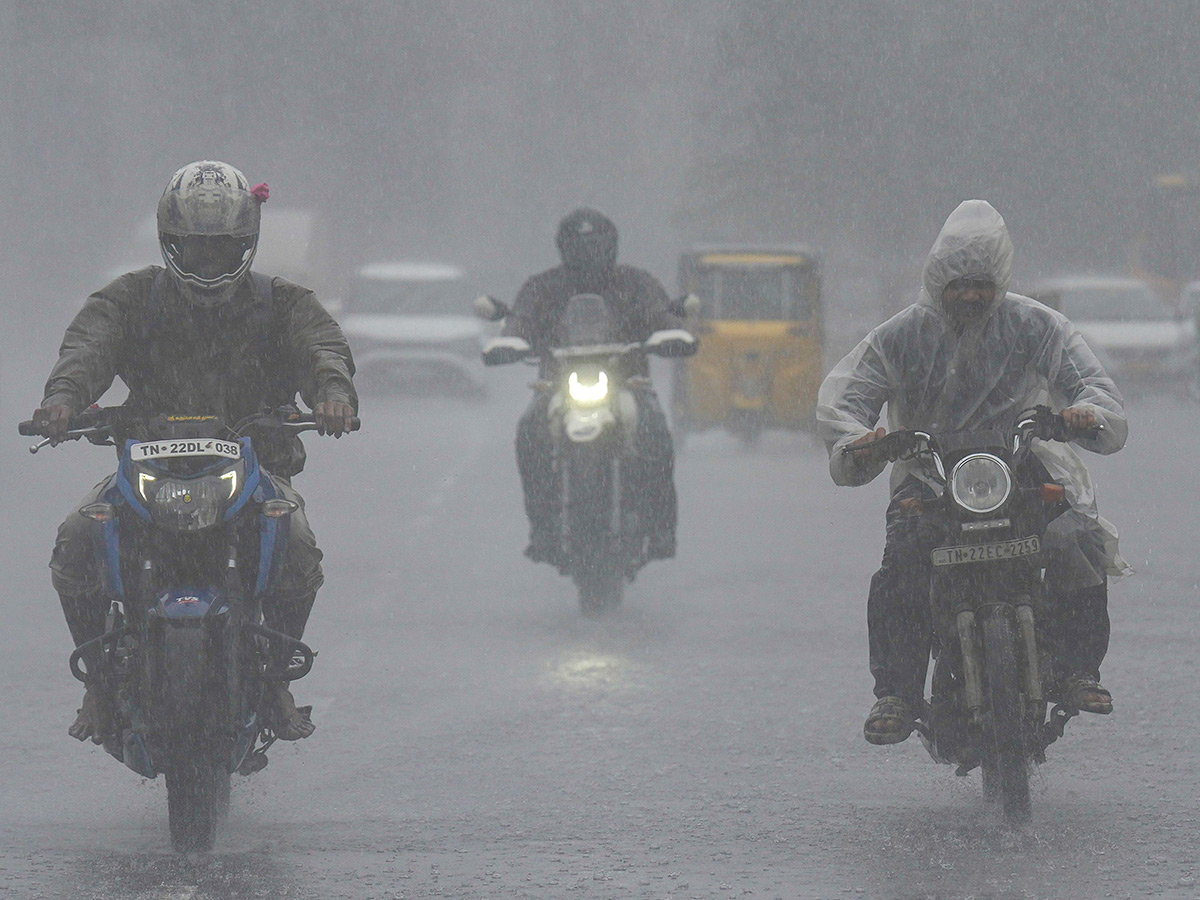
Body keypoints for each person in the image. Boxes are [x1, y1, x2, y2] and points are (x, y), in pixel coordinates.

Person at [32, 160, 357, 743]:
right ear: (168, 241)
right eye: (194, 248)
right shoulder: (130, 298)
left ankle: (278, 680)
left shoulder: (281, 302)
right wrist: (63, 399)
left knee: (299, 549)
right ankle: (100, 687)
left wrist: (333, 394)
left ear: (248, 244)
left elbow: (323, 347)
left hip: (256, 472)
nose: (209, 261)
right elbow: (87, 348)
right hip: (144, 467)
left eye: (222, 248)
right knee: (77, 539)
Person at [817, 199, 1129, 745]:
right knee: (904, 564)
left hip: (1020, 464)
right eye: (958, 283)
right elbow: (846, 403)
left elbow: (1093, 389)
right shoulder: (899, 336)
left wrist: (1080, 414)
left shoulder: (1037, 326)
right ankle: (896, 691)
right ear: (938, 280)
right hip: (929, 473)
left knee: (1073, 540)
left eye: (981, 283)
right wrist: (861, 441)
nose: (969, 294)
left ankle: (1079, 670)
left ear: (999, 281)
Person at [503, 207, 684, 564]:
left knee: (655, 435)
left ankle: (661, 528)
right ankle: (543, 527)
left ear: (611, 245)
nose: (588, 254)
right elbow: (520, 319)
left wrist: (673, 331)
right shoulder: (544, 286)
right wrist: (509, 339)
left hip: (629, 383)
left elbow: (661, 312)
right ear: (563, 247)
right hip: (556, 386)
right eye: (580, 245)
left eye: (596, 244)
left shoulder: (635, 283)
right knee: (530, 433)